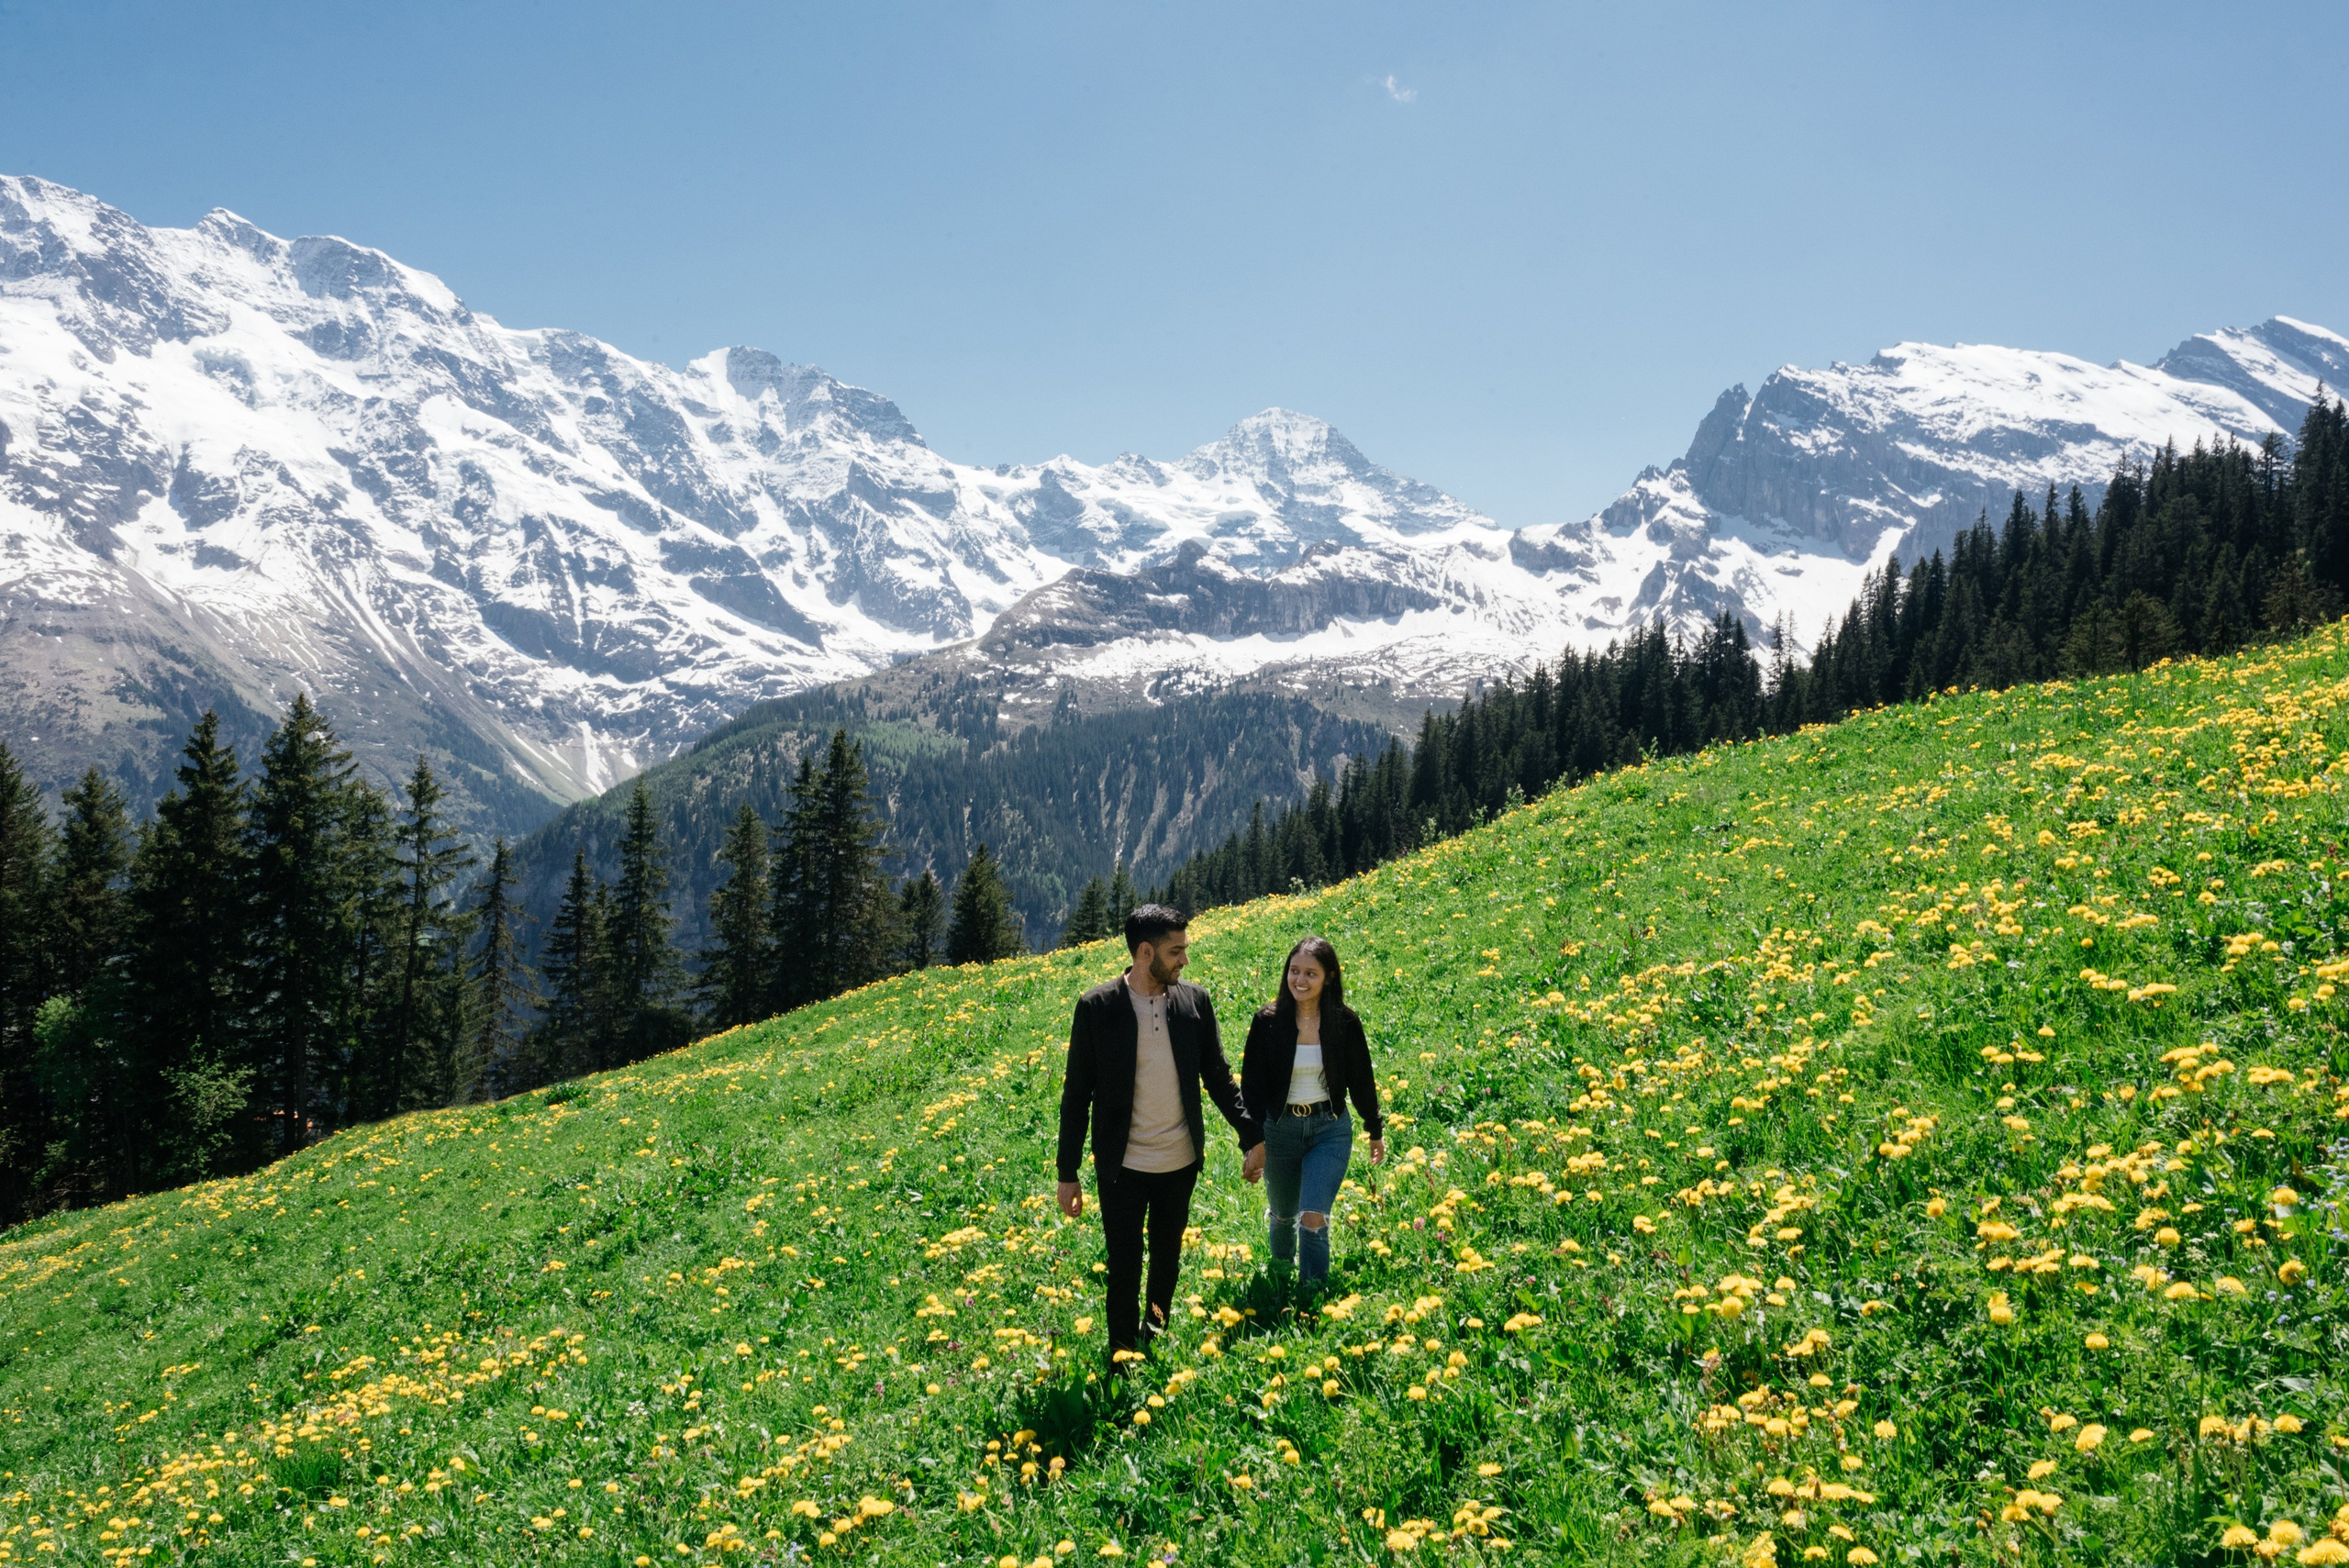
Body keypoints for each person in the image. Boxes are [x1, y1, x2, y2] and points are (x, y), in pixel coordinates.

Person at [1057, 903, 1260, 1361]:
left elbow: (1219, 1077)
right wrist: (1067, 1172)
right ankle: (1121, 1355)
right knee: (1123, 1267)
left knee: (1167, 1261)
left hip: (1179, 1161)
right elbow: (1076, 1095)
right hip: (1122, 1167)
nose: (1185, 959)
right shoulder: (1097, 1008)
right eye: (1176, 951)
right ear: (1145, 952)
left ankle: (1154, 1338)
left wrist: (1251, 1135)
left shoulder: (1194, 1002)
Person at [1238, 935, 1384, 1290]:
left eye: (1310, 973)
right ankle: (1280, 1276)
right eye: (1294, 971)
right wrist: (1252, 1144)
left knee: (1313, 1215)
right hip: (1279, 1130)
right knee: (1283, 1214)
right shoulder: (1267, 1022)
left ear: (1329, 978)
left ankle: (1312, 1294)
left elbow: (1362, 1080)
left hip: (1328, 1130)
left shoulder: (1344, 1023)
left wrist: (1374, 1128)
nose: (1299, 980)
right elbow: (1252, 1090)